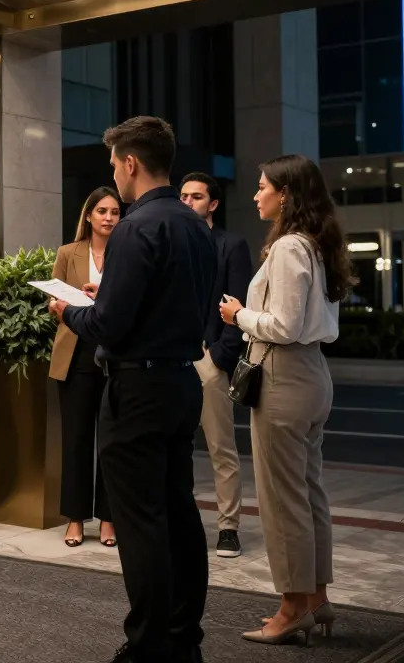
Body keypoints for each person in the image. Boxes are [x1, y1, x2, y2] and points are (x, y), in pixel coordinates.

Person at [49, 116, 214, 663]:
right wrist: (110, 294)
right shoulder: (195, 226)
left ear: (132, 163)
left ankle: (148, 648)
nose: (114, 176)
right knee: (180, 514)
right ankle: (183, 637)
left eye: (115, 164)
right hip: (181, 382)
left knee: (141, 524)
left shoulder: (134, 229)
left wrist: (69, 309)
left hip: (137, 387)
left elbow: (110, 326)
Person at [219, 154, 349, 647]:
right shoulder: (317, 246)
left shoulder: (290, 248)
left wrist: (238, 315)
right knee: (309, 491)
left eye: (262, 187)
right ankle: (315, 598)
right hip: (312, 375)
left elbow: (282, 326)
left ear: (286, 195)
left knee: (283, 499)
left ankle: (292, 608)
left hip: (284, 375)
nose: (255, 195)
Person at [180, 172, 252, 559]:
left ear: (213, 204)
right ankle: (181, 522)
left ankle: (228, 528)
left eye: (196, 196)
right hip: (173, 357)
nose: (188, 202)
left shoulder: (231, 245)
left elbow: (239, 304)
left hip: (210, 359)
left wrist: (219, 359)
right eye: (183, 196)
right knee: (175, 447)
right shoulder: (173, 244)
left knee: (221, 448)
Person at [49, 187, 121, 549]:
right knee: (76, 440)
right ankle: (75, 519)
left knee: (110, 443)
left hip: (114, 354)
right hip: (75, 353)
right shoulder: (67, 253)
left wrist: (102, 293)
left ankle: (108, 520)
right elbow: (54, 299)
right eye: (102, 211)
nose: (109, 217)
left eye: (115, 212)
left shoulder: (126, 253)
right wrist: (57, 304)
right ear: (89, 215)